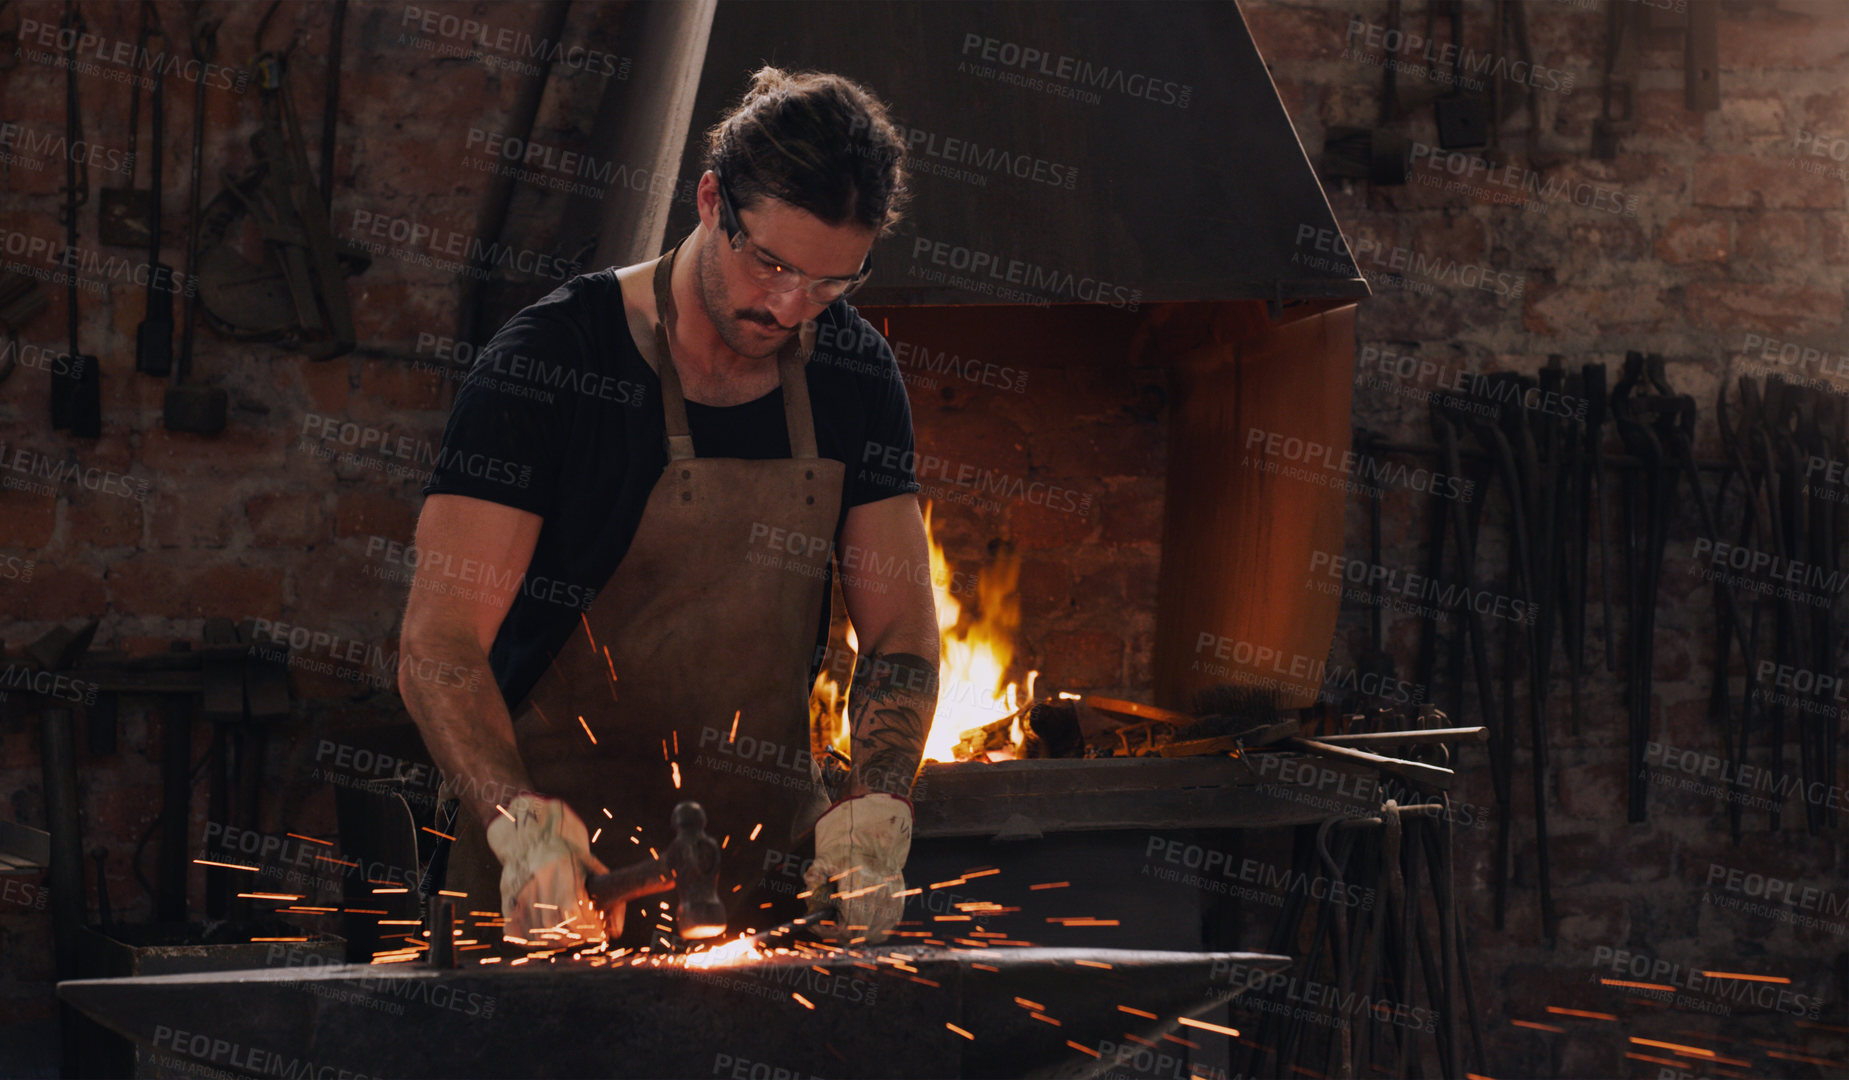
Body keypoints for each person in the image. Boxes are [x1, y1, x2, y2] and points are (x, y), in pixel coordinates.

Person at [397, 67, 940, 949]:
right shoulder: (550, 362)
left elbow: (901, 637)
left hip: (761, 887)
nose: (790, 307)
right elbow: (438, 647)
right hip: (548, 883)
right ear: (710, 199)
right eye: (770, 263)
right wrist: (517, 823)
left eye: (832, 284)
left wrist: (876, 807)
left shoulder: (853, 372)